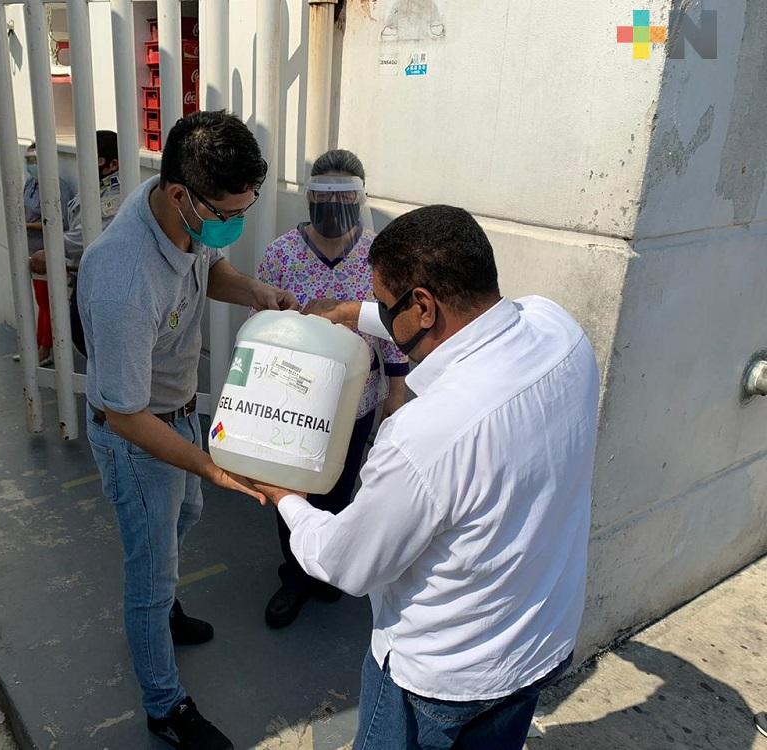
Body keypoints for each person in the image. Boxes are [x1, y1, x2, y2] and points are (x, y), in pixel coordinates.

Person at [255, 205, 601, 749]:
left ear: (422, 307)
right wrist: (354, 313)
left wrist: (287, 497)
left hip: (442, 680)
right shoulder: (560, 330)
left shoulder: (425, 435)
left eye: (383, 303)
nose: (380, 312)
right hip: (540, 645)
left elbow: (346, 563)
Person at [77, 111, 297, 750]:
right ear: (180, 193)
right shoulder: (122, 278)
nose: (235, 223)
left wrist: (254, 291)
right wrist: (211, 466)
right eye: (228, 213)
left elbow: (210, 269)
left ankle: (165, 605)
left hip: (177, 414)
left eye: (245, 209)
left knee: (186, 515)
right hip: (136, 435)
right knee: (149, 572)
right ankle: (165, 706)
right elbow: (125, 414)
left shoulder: (187, 217)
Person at [255, 148, 409, 629]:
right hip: (293, 402)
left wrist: (395, 397)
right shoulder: (281, 255)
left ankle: (329, 567)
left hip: (356, 402)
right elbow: (263, 331)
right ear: (309, 198)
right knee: (292, 491)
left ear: (359, 198)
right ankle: (295, 576)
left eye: (345, 196)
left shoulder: (379, 258)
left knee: (341, 487)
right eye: (324, 196)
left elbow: (395, 332)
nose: (334, 205)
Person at [28, 130, 123, 356]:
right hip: (84, 277)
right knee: (83, 338)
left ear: (113, 164)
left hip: (106, 283)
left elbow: (87, 235)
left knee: (98, 345)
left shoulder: (117, 195)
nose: (85, 165)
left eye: (94, 159)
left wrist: (51, 251)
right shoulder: (95, 187)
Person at [24, 142, 75, 365]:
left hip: (49, 252)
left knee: (49, 303)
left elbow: (60, 223)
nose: (31, 165)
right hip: (32, 251)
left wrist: (27, 225)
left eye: (35, 161)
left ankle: (45, 350)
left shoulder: (58, 188)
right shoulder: (30, 184)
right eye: (28, 161)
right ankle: (40, 346)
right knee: (41, 301)